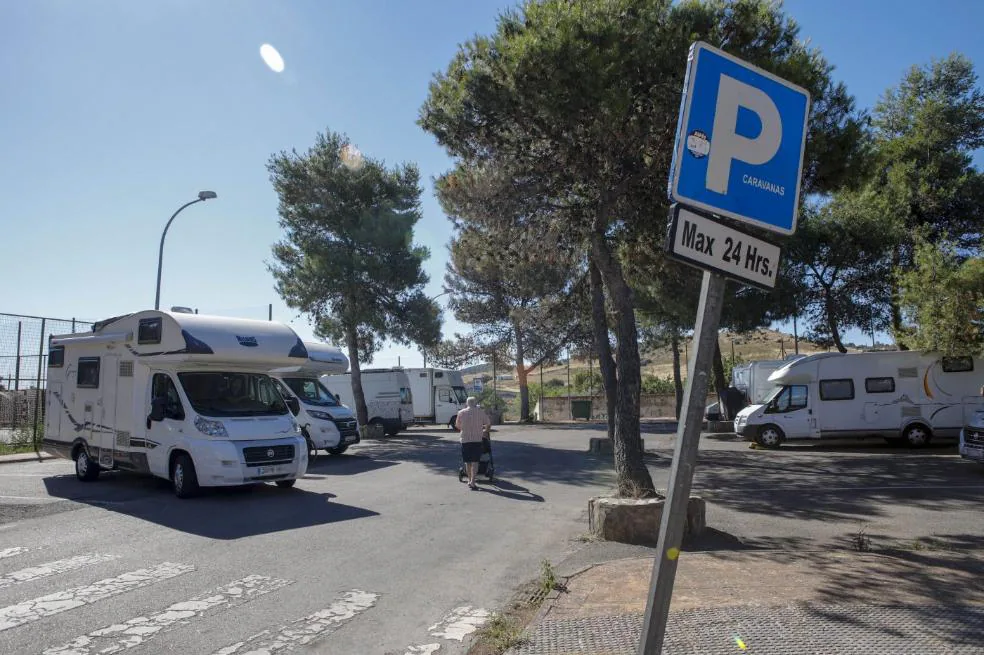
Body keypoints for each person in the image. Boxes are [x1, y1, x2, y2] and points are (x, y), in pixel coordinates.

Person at [456, 396, 491, 490]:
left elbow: (457, 426)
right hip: (477, 440)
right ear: (475, 403)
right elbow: (488, 423)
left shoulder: (461, 413)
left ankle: (469, 479)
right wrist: (485, 431)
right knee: (475, 462)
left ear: (467, 403)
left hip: (465, 440)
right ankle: (473, 481)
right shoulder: (480, 412)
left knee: (467, 462)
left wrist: (465, 428)